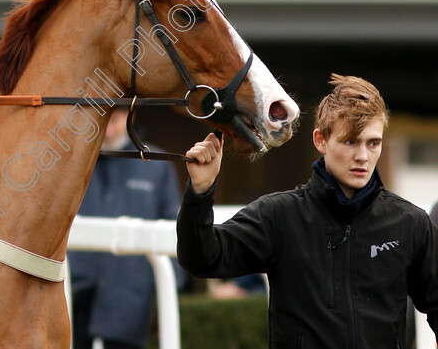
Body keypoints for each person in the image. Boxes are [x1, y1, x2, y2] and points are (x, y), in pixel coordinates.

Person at [176, 74, 438, 348]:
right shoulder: (279, 215)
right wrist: (201, 190)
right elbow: (202, 258)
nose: (363, 156)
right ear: (320, 140)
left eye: (373, 143)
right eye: (350, 141)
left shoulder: (410, 223)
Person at [69, 110, 184, 349]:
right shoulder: (72, 160)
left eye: (114, 118)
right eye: (104, 118)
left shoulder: (155, 164)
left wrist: (169, 294)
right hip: (74, 291)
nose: (108, 128)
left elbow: (174, 230)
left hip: (130, 297)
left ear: (129, 117)